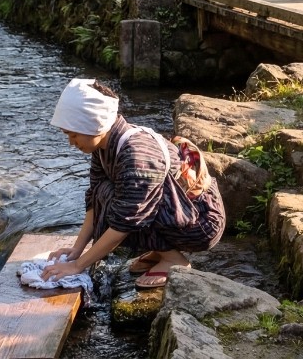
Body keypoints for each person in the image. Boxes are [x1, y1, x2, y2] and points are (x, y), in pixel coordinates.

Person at [41, 78, 226, 289]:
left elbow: (125, 221)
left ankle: (175, 260)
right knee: (105, 193)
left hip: (200, 224)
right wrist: (76, 250)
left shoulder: (137, 154)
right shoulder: (102, 146)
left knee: (125, 206)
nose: (71, 143)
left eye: (74, 135)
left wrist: (77, 266)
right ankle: (161, 250)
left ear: (95, 124)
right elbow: (95, 198)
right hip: (178, 212)